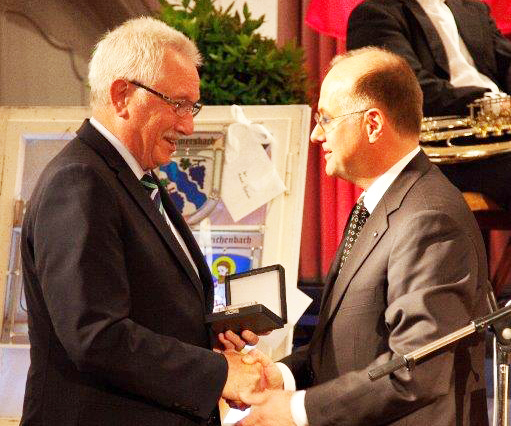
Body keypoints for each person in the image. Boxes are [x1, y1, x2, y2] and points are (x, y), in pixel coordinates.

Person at [20, 17, 262, 426]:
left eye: (193, 107)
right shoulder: (80, 181)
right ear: (122, 95)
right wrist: (220, 373)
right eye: (178, 104)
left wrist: (212, 337)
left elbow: (150, 311)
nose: (188, 125)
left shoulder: (135, 178)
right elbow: (95, 335)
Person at [235, 47, 489, 425]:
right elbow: (353, 344)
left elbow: (416, 370)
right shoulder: (382, 204)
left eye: (326, 119)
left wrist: (296, 411)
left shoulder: (429, 218)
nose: (316, 134)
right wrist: (283, 375)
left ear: (372, 124)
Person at [346, 0, 511, 210]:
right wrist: (493, 105)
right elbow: (407, 89)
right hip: (441, 153)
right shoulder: (375, 14)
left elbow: (507, 63)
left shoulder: (472, 8)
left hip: (498, 135)